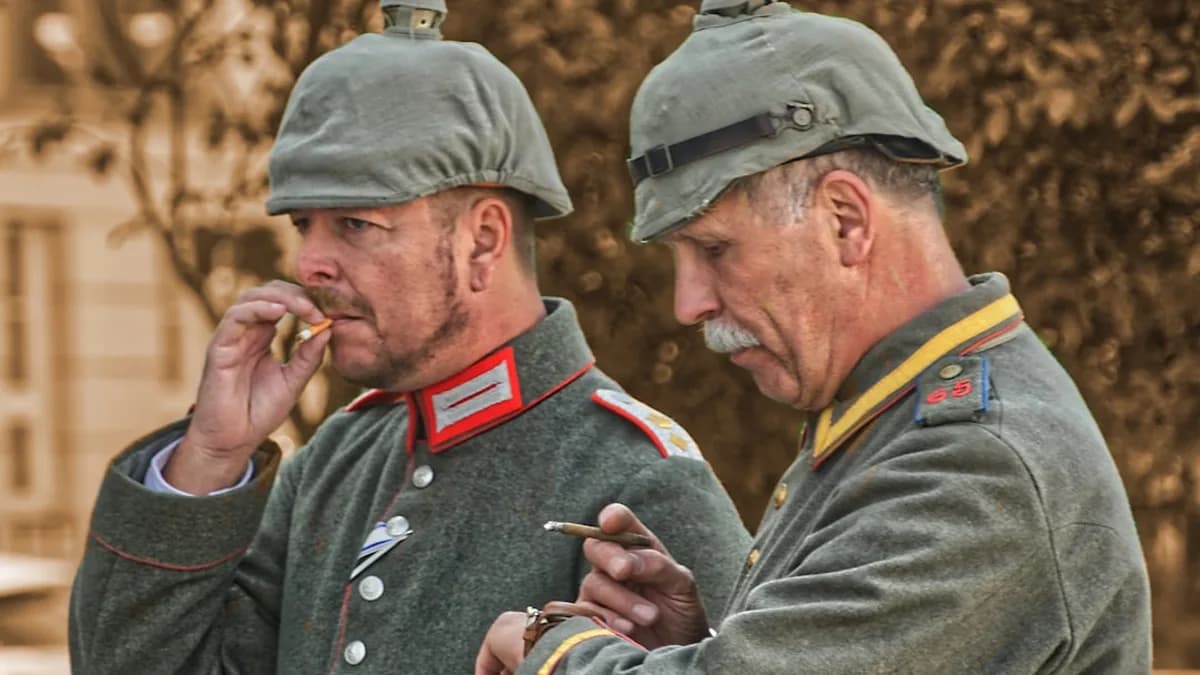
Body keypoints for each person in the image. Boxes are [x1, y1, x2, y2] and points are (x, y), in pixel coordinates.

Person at [67, 2, 751, 673]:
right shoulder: (333, 463)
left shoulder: (641, 476)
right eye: (304, 224)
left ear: (483, 240)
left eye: (356, 225)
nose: (310, 264)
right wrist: (211, 458)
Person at [477, 1, 1152, 673]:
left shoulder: (977, 464)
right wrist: (695, 642)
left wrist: (552, 649)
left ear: (846, 220)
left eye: (714, 249)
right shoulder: (890, 419)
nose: (688, 303)